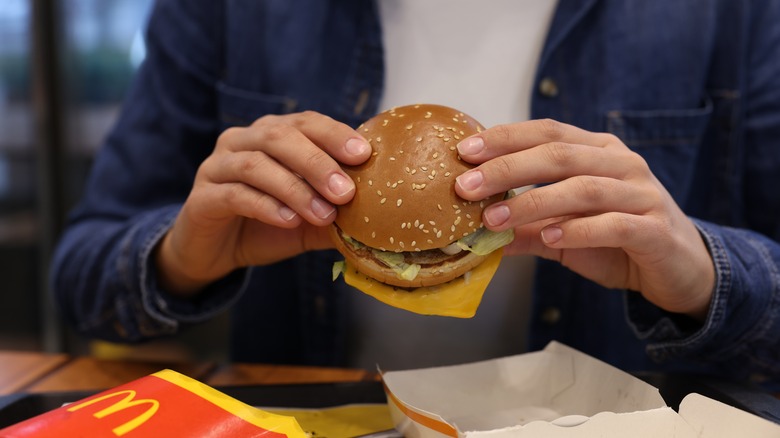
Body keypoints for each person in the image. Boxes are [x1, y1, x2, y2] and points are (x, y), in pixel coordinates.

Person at [52, 0, 780, 385]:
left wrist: (705, 277)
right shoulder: (229, 8)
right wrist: (182, 258)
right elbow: (78, 280)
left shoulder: (734, 11)